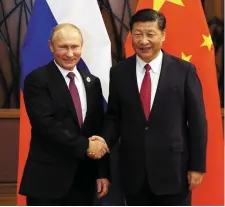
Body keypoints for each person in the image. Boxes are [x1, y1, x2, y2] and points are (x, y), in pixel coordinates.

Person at [94, 9, 207, 206]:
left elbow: (197, 121)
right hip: (133, 172)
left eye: (150, 34)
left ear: (163, 35)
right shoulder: (119, 72)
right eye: (138, 34)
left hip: (174, 171)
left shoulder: (184, 71)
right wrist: (102, 142)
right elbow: (114, 117)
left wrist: (197, 166)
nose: (143, 41)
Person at [19, 23, 110, 206]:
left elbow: (97, 127)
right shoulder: (37, 80)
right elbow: (45, 124)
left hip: (83, 181)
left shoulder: (92, 82)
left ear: (82, 47)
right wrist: (86, 145)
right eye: (63, 47)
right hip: (47, 181)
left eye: (75, 46)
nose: (70, 53)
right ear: (51, 46)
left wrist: (102, 173)